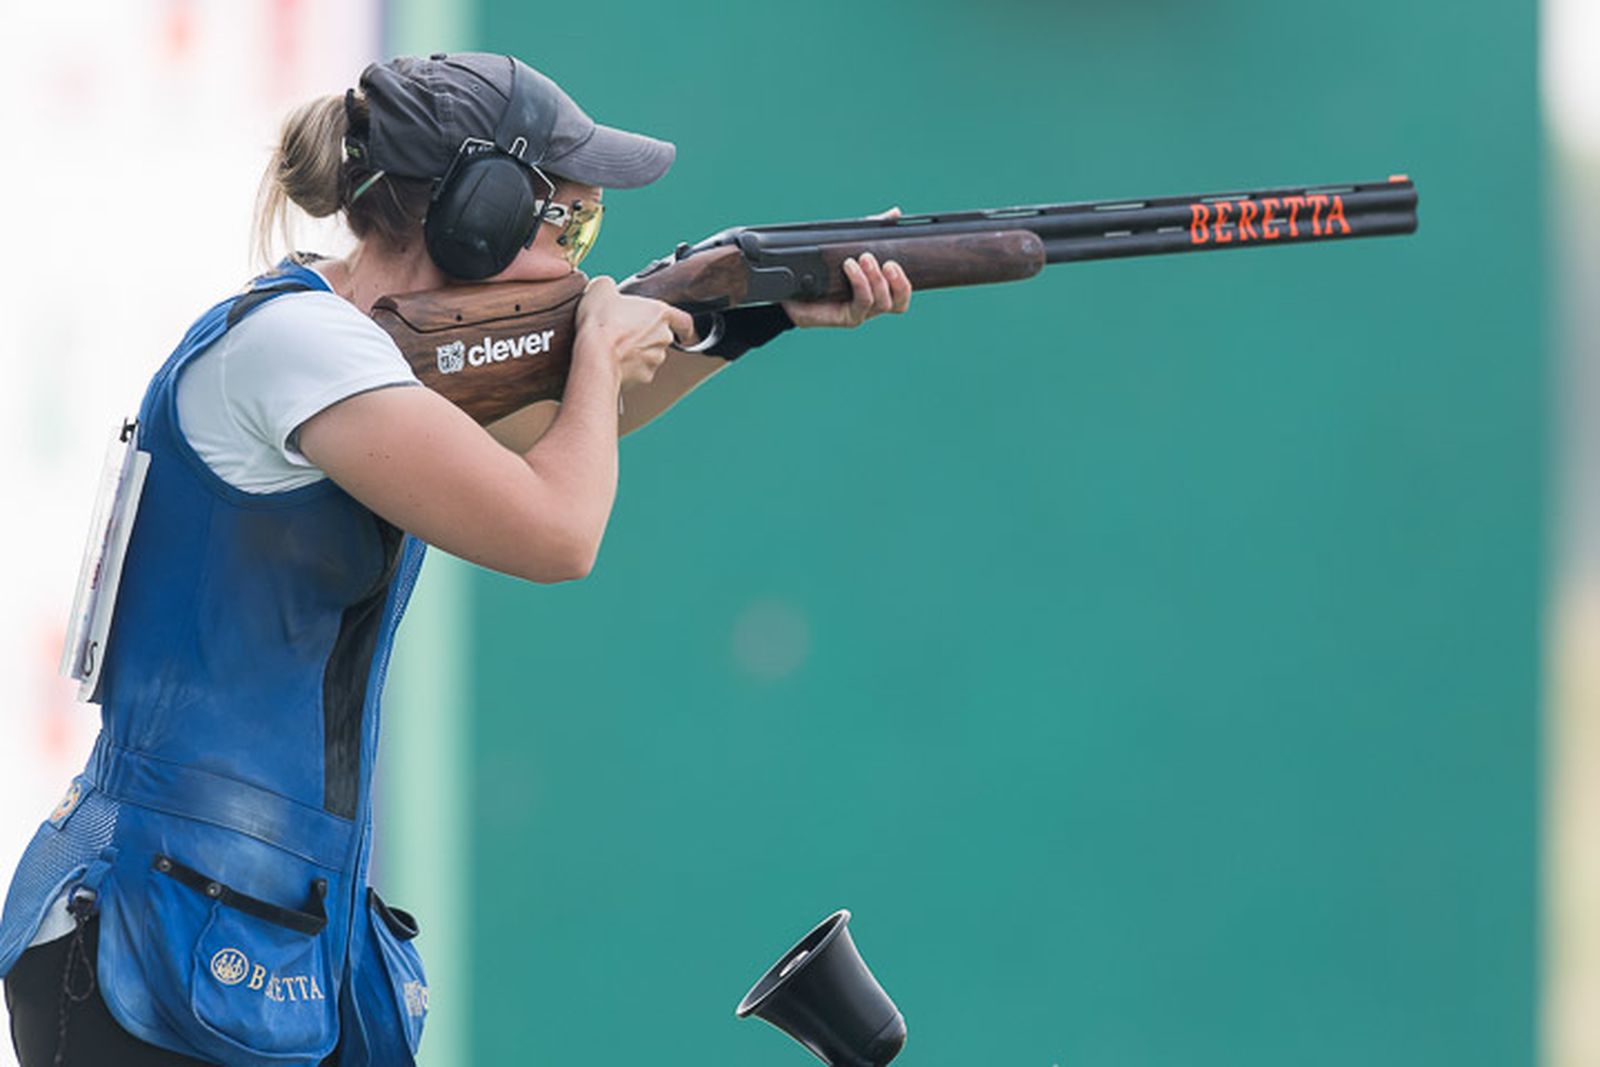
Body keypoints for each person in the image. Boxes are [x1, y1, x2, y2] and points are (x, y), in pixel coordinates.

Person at [0, 52, 911, 1067]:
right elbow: (558, 527)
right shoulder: (301, 348)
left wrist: (757, 314)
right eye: (571, 226)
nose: (581, 263)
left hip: (236, 924)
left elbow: (558, 439)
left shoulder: (346, 347)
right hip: (157, 942)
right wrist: (598, 355)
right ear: (480, 215)